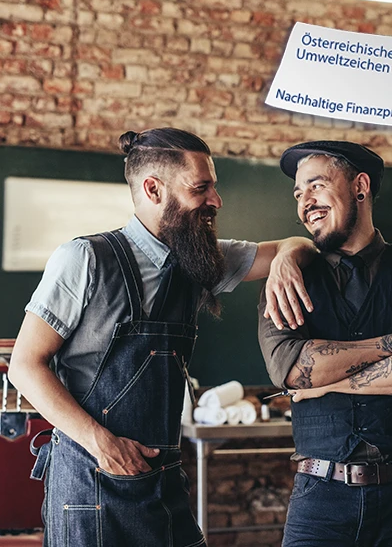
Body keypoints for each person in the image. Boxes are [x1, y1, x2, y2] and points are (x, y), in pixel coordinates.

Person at [8, 127, 318, 547]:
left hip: (162, 483)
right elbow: (26, 366)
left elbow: (299, 243)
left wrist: (285, 260)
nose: (216, 201)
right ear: (153, 189)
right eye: (201, 188)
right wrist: (102, 443)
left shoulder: (201, 259)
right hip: (89, 486)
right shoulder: (83, 258)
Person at [258, 140, 392, 547]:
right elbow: (291, 369)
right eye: (299, 194)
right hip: (319, 498)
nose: (305, 202)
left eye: (316, 186)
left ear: (360, 186)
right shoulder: (286, 281)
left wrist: (330, 384)